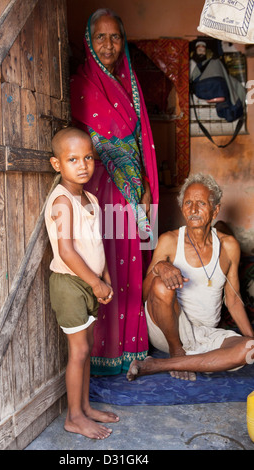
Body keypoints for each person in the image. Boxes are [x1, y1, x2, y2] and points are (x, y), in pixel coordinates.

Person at [70, 8, 159, 375]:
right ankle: (102, 356)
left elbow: (142, 143)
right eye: (100, 37)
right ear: (89, 42)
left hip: (132, 195)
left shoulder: (132, 85)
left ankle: (131, 351)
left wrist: (146, 191)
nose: (108, 45)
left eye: (115, 37)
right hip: (98, 192)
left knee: (131, 266)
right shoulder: (79, 84)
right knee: (102, 265)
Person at [126, 173, 254, 382]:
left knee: (248, 349)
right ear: (182, 207)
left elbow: (233, 299)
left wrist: (251, 337)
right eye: (188, 203)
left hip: (205, 333)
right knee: (161, 283)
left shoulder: (229, 246)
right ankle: (177, 353)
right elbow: (143, 295)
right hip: (168, 330)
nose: (193, 210)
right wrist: (159, 268)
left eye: (201, 203)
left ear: (215, 210)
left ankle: (156, 365)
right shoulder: (169, 241)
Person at [45, 127, 119, 439]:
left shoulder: (89, 198)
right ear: (57, 164)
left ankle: (85, 406)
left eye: (88, 157)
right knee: (77, 352)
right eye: (72, 159)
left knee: (86, 348)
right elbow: (66, 251)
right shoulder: (62, 201)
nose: (83, 164)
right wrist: (94, 282)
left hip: (89, 283)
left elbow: (94, 244)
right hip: (70, 285)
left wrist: (104, 278)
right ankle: (74, 416)